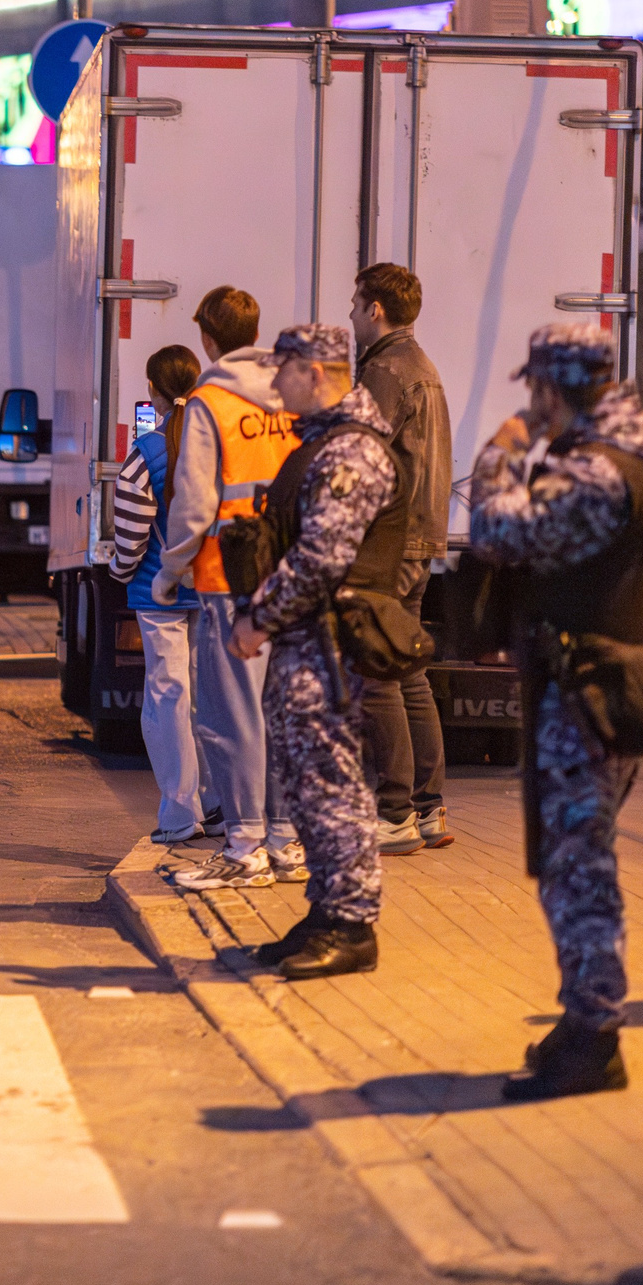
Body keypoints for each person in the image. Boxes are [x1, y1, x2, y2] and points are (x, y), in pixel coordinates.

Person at [469, 324, 643, 1100]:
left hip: (583, 698)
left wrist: (499, 453)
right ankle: (583, 1020)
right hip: (592, 693)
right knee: (573, 863)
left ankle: (594, 1035)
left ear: (555, 388)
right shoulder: (635, 460)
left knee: (579, 871)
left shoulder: (595, 474)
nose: (530, 403)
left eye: (535, 391)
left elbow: (496, 530)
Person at [226, 325, 404, 980]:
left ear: (317, 370)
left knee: (333, 787)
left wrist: (258, 621)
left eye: (283, 370)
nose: (275, 383)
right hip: (311, 645)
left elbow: (321, 560)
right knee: (309, 786)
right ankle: (328, 911)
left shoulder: (351, 453)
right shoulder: (322, 445)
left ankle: (354, 925)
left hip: (332, 650)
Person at [158, 287, 303, 891]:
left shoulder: (208, 402)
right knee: (282, 712)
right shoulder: (295, 395)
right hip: (294, 577)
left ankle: (244, 847)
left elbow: (194, 503)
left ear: (208, 339)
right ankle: (288, 842)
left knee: (229, 715)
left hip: (229, 579)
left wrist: (171, 572)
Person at [352, 264, 454, 854]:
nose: (350, 314)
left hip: (389, 545)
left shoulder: (386, 372)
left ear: (375, 310)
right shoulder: (423, 368)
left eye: (354, 303)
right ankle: (428, 808)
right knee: (409, 674)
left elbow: (358, 457)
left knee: (377, 677)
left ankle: (393, 814)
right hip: (422, 537)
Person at [109, 343, 205, 844]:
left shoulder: (146, 454)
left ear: (152, 389)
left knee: (167, 700)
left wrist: (120, 570)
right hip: (208, 589)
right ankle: (217, 805)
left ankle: (178, 814)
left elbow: (132, 535)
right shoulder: (211, 443)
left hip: (158, 591)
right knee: (206, 697)